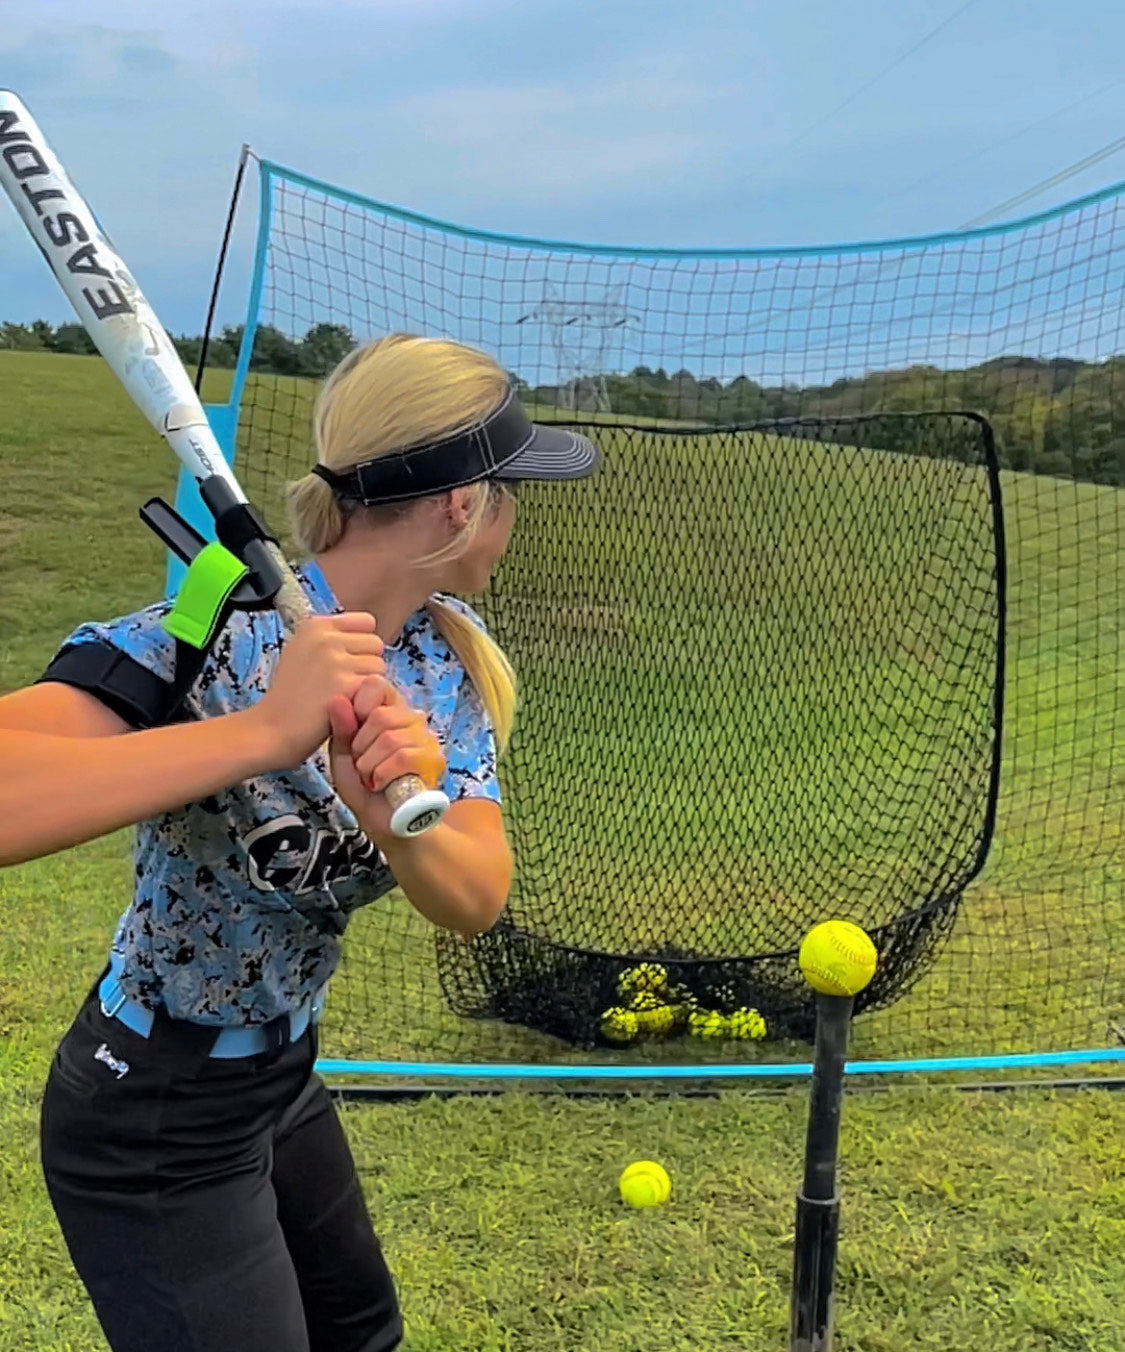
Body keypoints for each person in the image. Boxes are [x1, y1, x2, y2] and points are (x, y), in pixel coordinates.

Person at [0, 333, 600, 1352]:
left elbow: (476, 893)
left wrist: (396, 822)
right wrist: (262, 734)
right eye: (508, 494)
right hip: (151, 1104)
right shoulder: (214, 631)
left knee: (360, 1334)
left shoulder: (446, 660)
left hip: (280, 1079)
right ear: (463, 505)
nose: (511, 521)